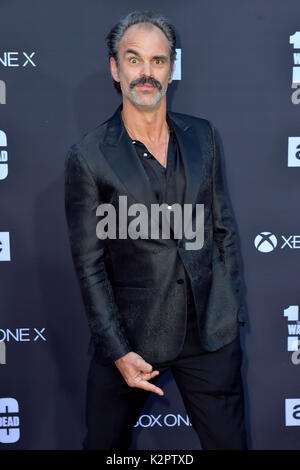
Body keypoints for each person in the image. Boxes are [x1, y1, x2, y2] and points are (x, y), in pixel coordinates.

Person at [64, 10, 248, 450]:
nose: (146, 73)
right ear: (115, 67)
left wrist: (228, 310)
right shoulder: (88, 156)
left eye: (158, 61)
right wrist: (118, 351)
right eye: (134, 59)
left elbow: (222, 229)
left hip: (208, 336)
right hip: (130, 341)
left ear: (171, 68)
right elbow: (89, 266)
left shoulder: (202, 137)